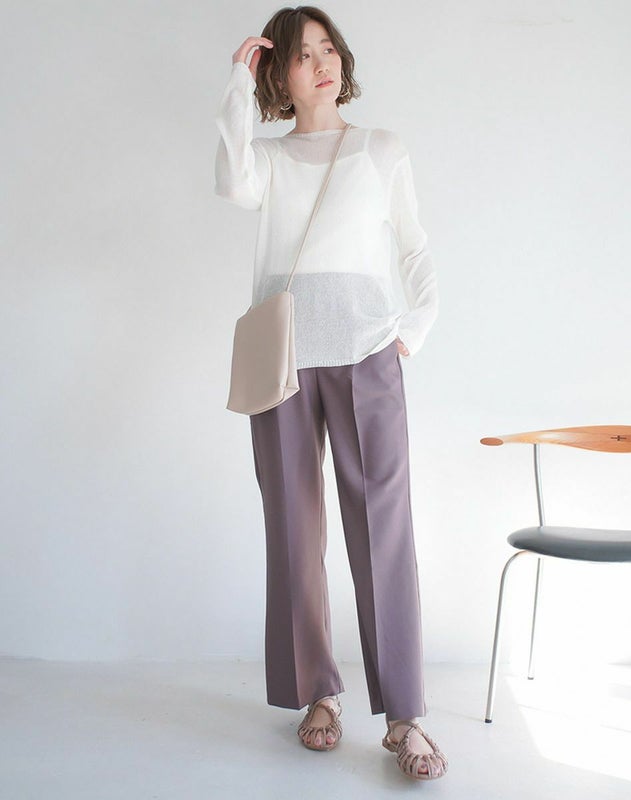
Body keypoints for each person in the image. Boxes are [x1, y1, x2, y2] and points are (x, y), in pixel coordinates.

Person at [213, 5, 446, 781]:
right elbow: (231, 182)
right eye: (301, 54)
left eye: (327, 49)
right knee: (293, 525)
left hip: (366, 349)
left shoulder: (381, 148)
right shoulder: (269, 159)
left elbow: (414, 245)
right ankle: (319, 693)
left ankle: (406, 715)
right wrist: (236, 85)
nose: (321, 63)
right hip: (284, 356)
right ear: (279, 74)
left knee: (383, 528)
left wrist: (416, 325)